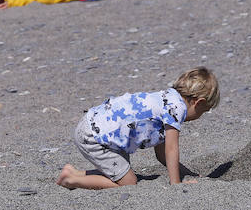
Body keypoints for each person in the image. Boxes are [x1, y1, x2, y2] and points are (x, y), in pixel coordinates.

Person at [56, 67, 219, 190]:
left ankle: (74, 173)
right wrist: (175, 184)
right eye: (203, 111)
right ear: (199, 103)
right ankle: (70, 180)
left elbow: (162, 155)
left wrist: (187, 173)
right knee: (129, 182)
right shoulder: (177, 109)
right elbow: (171, 149)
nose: (200, 115)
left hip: (95, 126)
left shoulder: (166, 99)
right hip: (95, 137)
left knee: (121, 174)